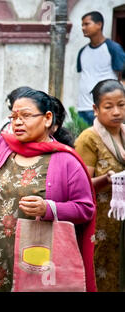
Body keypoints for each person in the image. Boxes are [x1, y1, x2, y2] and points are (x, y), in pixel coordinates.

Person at [0, 80, 97, 292]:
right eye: (13, 117)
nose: (17, 122)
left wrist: (49, 209)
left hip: (37, 258)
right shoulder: (0, 145)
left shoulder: (66, 160)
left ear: (48, 118)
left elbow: (85, 209)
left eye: (26, 116)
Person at [74, 79, 125, 292]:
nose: (116, 112)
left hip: (121, 223)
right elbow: (80, 186)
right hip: (100, 222)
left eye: (121, 105)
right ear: (95, 109)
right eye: (108, 106)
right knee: (100, 272)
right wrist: (108, 179)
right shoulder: (89, 139)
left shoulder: (124, 132)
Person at [77, 11, 125, 126]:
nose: (83, 28)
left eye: (87, 24)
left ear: (99, 24)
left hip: (104, 109)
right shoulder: (83, 51)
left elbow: (123, 75)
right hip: (83, 107)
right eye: (82, 25)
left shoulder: (113, 48)